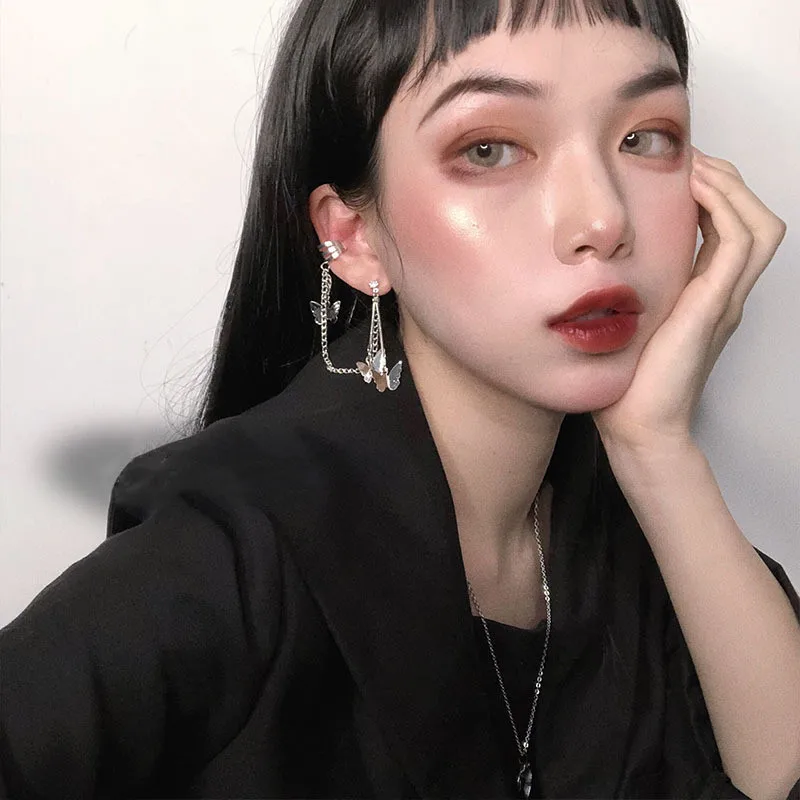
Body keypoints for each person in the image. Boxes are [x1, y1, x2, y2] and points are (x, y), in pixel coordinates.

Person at [1, 0, 799, 797]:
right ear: (353, 236)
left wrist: (656, 448)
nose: (603, 219)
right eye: (489, 149)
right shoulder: (232, 550)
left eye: (645, 137)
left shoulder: (641, 535)